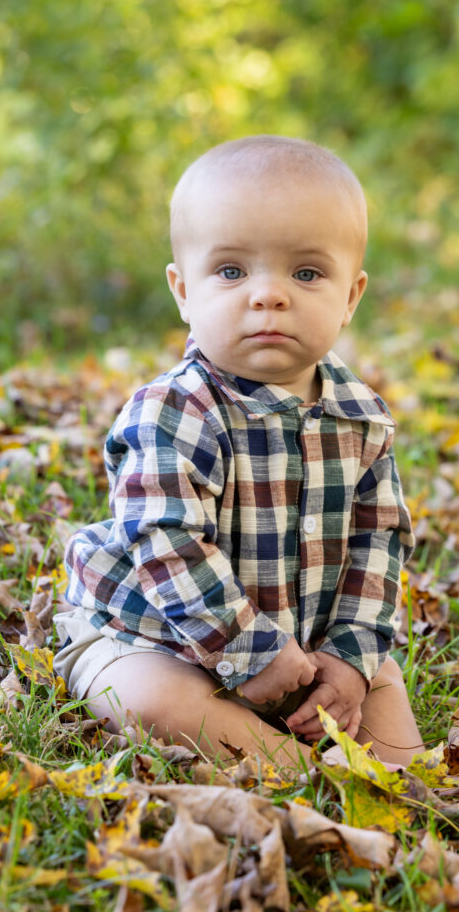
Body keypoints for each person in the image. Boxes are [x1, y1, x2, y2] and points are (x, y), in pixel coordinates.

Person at [53, 135, 423, 771]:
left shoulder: (361, 415)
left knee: (392, 730)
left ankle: (381, 777)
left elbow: (379, 542)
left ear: (352, 296)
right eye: (231, 271)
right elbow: (167, 544)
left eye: (306, 273)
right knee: (152, 701)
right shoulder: (176, 410)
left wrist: (350, 659)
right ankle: (291, 769)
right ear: (183, 291)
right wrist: (249, 653)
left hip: (305, 646)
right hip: (155, 636)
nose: (268, 295)